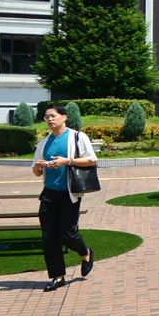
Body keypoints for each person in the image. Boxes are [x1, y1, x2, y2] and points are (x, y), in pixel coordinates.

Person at [32, 105, 97, 292]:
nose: (50, 119)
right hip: (49, 194)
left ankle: (85, 253)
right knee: (48, 237)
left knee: (67, 233)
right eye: (46, 117)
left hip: (70, 193)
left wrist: (66, 161)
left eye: (53, 116)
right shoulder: (44, 143)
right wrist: (40, 166)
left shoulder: (77, 137)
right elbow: (36, 172)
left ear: (64, 117)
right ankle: (57, 277)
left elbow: (91, 160)